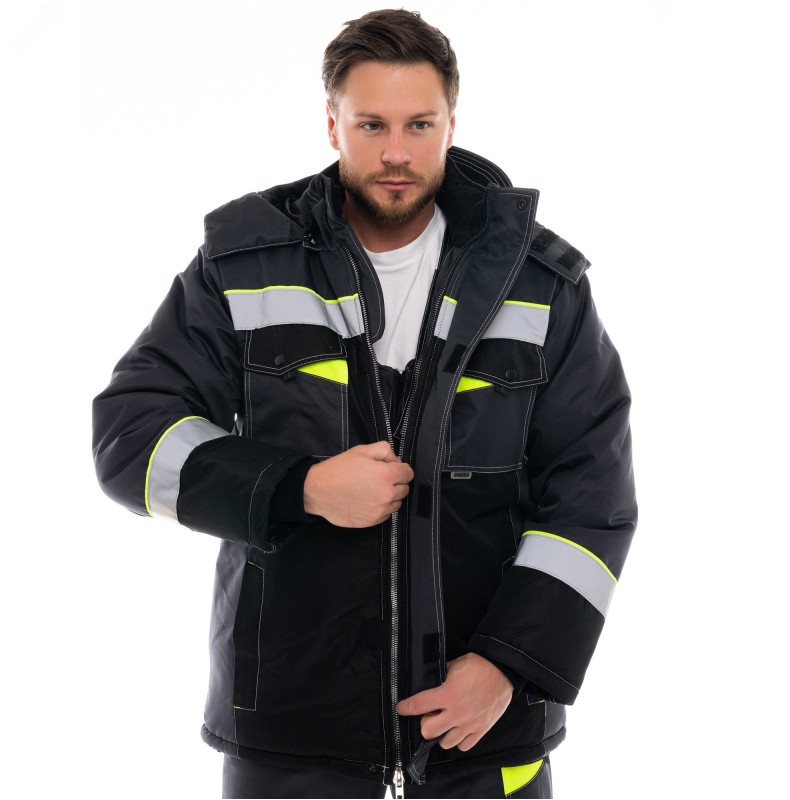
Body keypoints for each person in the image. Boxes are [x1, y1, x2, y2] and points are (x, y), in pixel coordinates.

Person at [92, 9, 637, 799]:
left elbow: (593, 496)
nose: (396, 153)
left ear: (452, 123)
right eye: (371, 124)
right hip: (292, 729)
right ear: (332, 124)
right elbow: (128, 436)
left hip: (482, 728)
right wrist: (301, 487)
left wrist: (509, 664)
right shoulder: (244, 264)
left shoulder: (541, 283)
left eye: (419, 125)